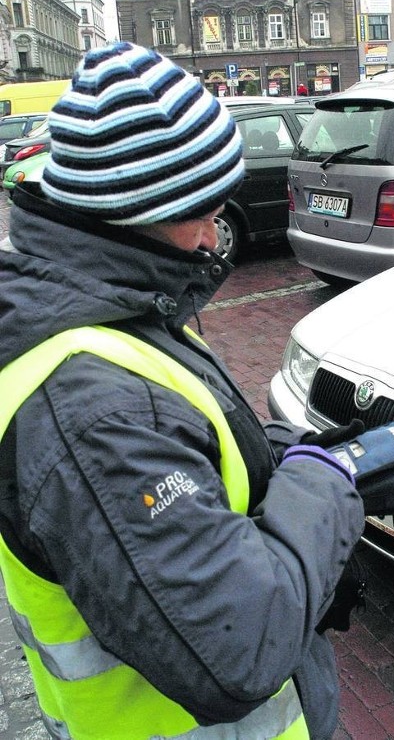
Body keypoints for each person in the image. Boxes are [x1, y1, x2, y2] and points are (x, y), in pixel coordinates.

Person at [0, 41, 365, 740]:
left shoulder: (117, 308)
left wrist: (285, 452)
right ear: (128, 205)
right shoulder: (89, 407)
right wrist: (323, 488)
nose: (210, 235)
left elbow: (192, 440)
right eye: (194, 209)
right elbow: (241, 647)